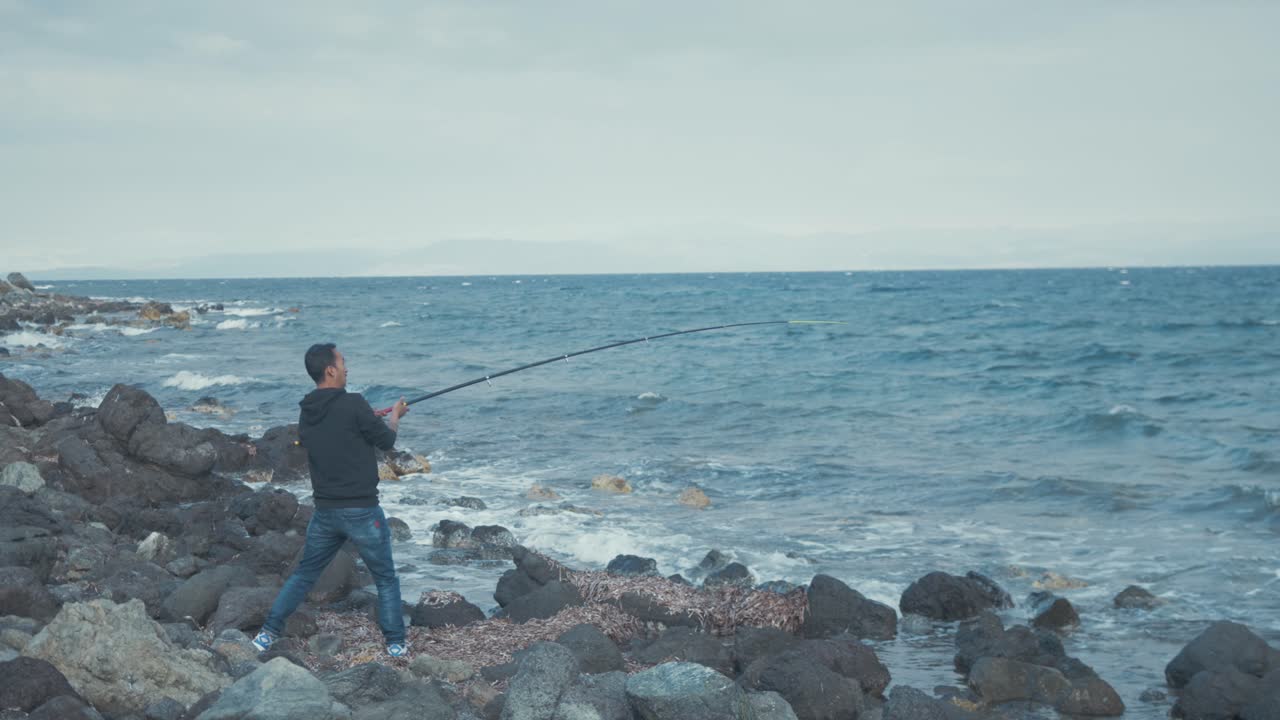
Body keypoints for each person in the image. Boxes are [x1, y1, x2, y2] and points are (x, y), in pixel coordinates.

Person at [253, 343, 412, 657]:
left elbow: (334, 432)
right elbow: (387, 440)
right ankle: (395, 643)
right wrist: (394, 416)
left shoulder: (308, 409)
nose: (346, 368)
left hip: (325, 511)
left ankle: (267, 634)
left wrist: (368, 418)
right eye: (343, 362)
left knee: (304, 575)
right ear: (330, 369)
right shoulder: (354, 404)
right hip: (362, 509)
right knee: (385, 578)